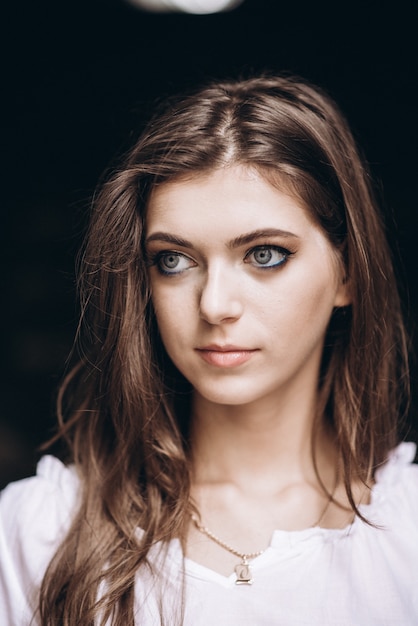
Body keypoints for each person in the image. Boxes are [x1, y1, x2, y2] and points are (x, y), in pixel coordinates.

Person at [0, 73, 417, 626]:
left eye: (265, 254)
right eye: (173, 260)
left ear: (348, 272)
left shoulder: (408, 529)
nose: (214, 305)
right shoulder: (38, 532)